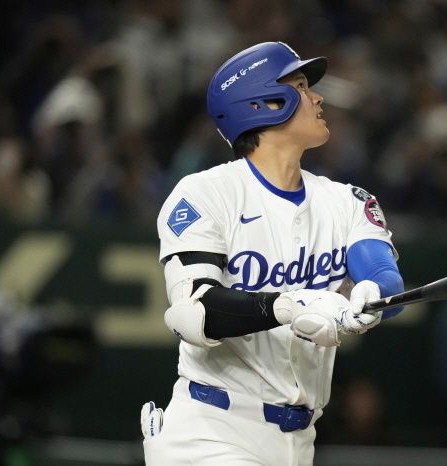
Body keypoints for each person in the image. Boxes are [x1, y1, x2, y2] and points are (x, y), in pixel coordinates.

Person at [141, 42, 405, 466]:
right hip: (213, 429)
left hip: (299, 440)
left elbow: (382, 274)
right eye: (300, 86)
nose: (318, 97)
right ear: (263, 103)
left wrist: (369, 296)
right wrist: (289, 307)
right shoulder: (204, 193)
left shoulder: (346, 200)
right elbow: (194, 313)